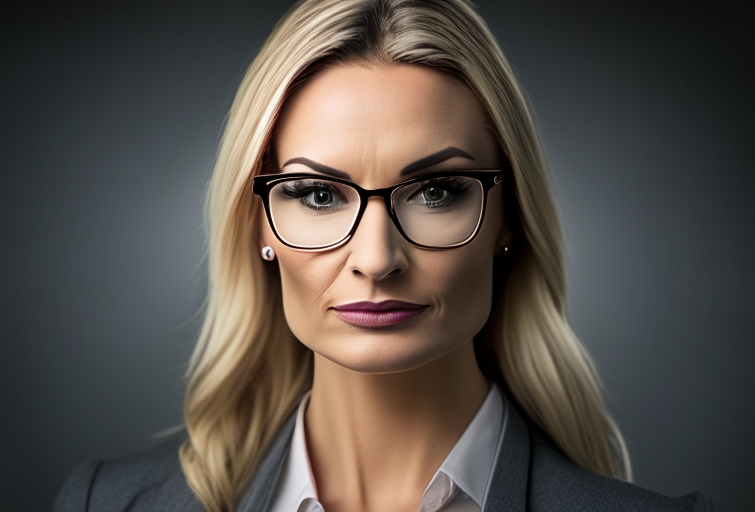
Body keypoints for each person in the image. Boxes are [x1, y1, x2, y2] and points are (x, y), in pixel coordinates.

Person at [54, 1, 713, 511]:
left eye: (436, 191)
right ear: (260, 220)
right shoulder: (106, 504)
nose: (376, 258)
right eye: (317, 194)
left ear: (507, 216)